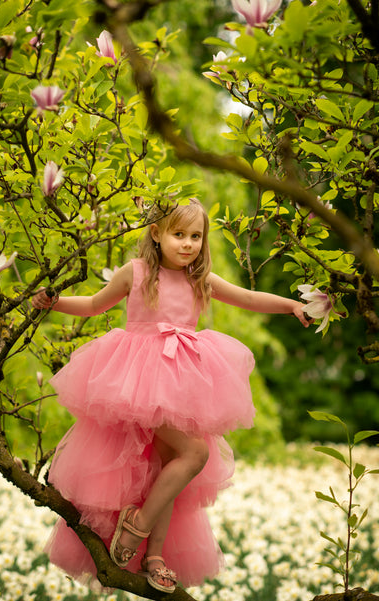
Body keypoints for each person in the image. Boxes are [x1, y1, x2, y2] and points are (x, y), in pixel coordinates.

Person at [32, 199, 310, 594]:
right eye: (178, 235)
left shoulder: (202, 280)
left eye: (196, 236)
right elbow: (95, 305)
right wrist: (54, 301)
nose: (188, 244)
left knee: (170, 465)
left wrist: (292, 305)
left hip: (184, 382)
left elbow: (248, 298)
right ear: (156, 234)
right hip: (140, 381)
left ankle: (154, 555)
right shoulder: (138, 272)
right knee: (194, 454)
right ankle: (138, 525)